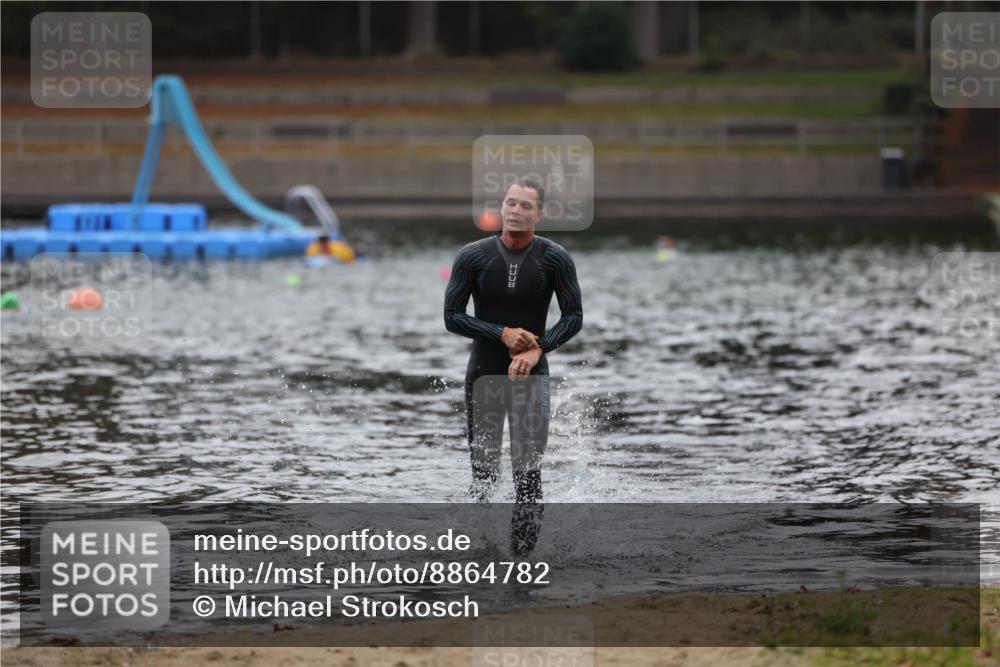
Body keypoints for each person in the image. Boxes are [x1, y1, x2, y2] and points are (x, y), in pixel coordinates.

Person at [444, 178, 583, 553]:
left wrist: (538, 348)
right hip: (484, 374)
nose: (516, 211)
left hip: (532, 376)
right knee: (484, 473)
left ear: (540, 213)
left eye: (525, 205)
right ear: (502, 208)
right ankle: (484, 554)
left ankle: (522, 566)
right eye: (510, 203)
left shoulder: (555, 258)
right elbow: (452, 317)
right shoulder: (473, 256)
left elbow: (573, 317)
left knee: (528, 474)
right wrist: (501, 333)